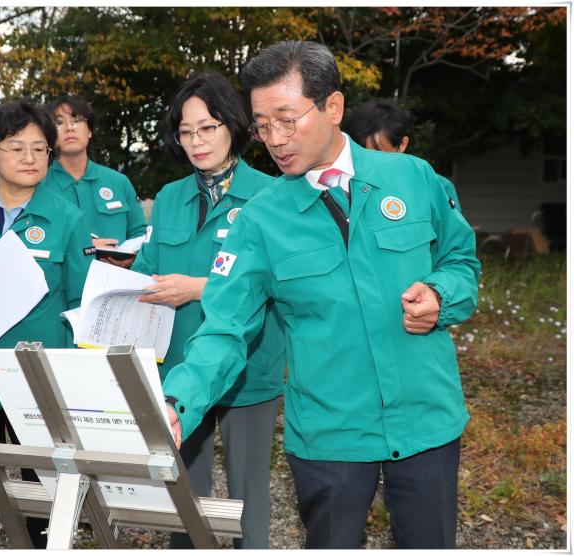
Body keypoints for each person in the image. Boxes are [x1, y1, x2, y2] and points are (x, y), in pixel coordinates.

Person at [162, 40, 481, 549]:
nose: (275, 139)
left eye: (288, 119)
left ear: (332, 107)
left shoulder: (414, 178)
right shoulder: (261, 219)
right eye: (263, 125)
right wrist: (180, 401)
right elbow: (224, 327)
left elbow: (461, 262)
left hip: (426, 421)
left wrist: (443, 295)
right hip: (330, 436)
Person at [132, 71, 285, 549]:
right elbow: (148, 267)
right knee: (183, 495)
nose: (196, 141)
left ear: (233, 126)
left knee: (247, 496)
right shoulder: (172, 197)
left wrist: (199, 288)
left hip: (249, 368)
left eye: (208, 127)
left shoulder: (271, 195)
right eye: (186, 131)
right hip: (180, 371)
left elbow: (279, 282)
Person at [0, 99, 93, 548]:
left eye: (40, 149)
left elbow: (81, 306)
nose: (29, 158)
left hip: (38, 378)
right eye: (15, 147)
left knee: (42, 487)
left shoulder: (68, 219)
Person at [42, 94, 147, 268]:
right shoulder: (38, 184)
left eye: (76, 120)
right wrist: (85, 247)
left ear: (89, 130)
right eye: (59, 122)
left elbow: (140, 233)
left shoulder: (118, 182)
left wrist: (133, 257)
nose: (69, 127)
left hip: (114, 286)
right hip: (60, 288)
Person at [344, 98, 461, 210]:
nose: (369, 161)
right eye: (361, 152)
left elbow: (454, 230)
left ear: (402, 145)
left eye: (378, 154)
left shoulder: (435, 186)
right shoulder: (341, 185)